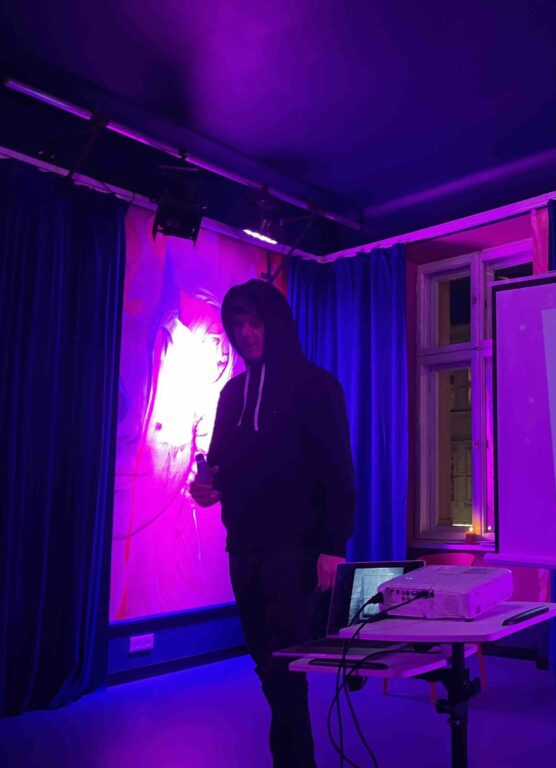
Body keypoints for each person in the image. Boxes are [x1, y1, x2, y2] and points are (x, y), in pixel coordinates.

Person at [190, 279, 356, 768]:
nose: (245, 333)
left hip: (296, 551)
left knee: (286, 666)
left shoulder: (317, 386)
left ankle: (293, 761)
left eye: (255, 323)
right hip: (243, 549)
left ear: (276, 324)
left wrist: (333, 545)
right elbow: (220, 466)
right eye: (237, 325)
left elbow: (338, 472)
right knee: (267, 665)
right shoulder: (232, 395)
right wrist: (206, 487)